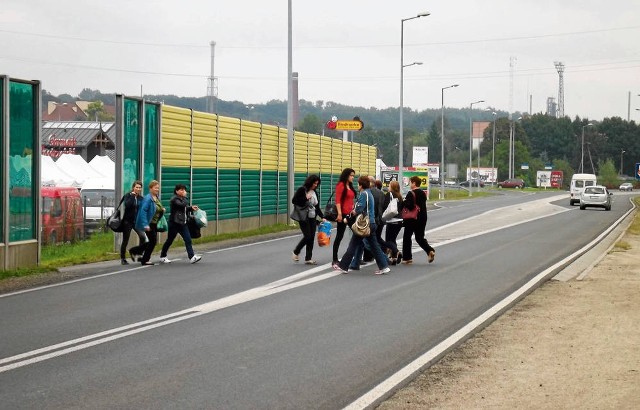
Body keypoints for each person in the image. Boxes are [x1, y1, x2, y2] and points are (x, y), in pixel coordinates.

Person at [333, 175, 390, 275]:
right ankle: (384, 266)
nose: (357, 186)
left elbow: (359, 209)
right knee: (374, 246)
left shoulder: (364, 194)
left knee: (353, 245)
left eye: (358, 184)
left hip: (364, 224)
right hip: (371, 223)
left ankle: (344, 266)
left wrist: (348, 217)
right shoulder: (369, 193)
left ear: (361, 185)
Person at [159, 184, 202, 264]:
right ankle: (163, 256)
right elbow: (182, 205)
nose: (184, 192)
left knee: (188, 239)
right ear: (177, 191)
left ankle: (192, 257)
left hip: (182, 223)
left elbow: (184, 208)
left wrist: (191, 208)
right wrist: (185, 197)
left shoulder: (182, 199)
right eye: (181, 190)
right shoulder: (174, 199)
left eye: (184, 190)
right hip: (174, 223)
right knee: (170, 240)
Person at [401, 176, 435, 265]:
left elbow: (410, 206)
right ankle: (429, 250)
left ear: (414, 183)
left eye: (410, 182)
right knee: (419, 237)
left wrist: (404, 202)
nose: (409, 184)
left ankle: (407, 258)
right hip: (422, 218)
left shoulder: (410, 193)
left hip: (412, 218)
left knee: (407, 237)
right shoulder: (423, 193)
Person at [291, 175, 325, 265]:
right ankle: (296, 252)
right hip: (304, 217)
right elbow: (294, 200)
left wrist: (322, 216)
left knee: (311, 238)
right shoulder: (302, 190)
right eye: (314, 183)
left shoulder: (315, 192)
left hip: (312, 217)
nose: (315, 185)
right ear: (310, 182)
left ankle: (308, 258)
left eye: (317, 184)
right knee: (307, 236)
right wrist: (305, 198)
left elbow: (316, 206)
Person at [135, 180, 165, 266]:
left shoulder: (156, 197)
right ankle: (145, 260)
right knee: (153, 241)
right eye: (155, 188)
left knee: (153, 241)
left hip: (154, 222)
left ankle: (139, 253)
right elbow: (143, 211)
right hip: (149, 223)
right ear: (150, 188)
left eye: (158, 188)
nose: (157, 189)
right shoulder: (148, 198)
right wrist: (145, 224)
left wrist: (162, 209)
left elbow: (157, 207)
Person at [332, 168, 357, 264]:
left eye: (353, 176)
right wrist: (339, 214)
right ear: (346, 175)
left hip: (350, 214)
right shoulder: (341, 185)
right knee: (339, 236)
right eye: (351, 175)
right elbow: (337, 200)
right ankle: (335, 259)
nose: (352, 177)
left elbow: (351, 200)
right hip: (342, 214)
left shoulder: (349, 186)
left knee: (357, 233)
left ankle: (356, 257)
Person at [120, 180, 147, 265]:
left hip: (137, 222)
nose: (138, 189)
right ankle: (123, 258)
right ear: (133, 188)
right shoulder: (128, 196)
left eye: (140, 188)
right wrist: (132, 196)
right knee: (125, 240)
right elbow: (127, 205)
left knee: (142, 237)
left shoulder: (141, 198)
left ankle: (139, 254)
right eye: (137, 187)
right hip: (128, 221)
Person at [382, 180, 404, 265]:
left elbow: (385, 206)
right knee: (393, 239)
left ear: (392, 186)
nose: (388, 187)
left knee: (388, 240)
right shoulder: (400, 196)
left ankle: (397, 252)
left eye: (389, 185)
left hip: (392, 220)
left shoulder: (389, 194)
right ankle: (394, 258)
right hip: (399, 221)